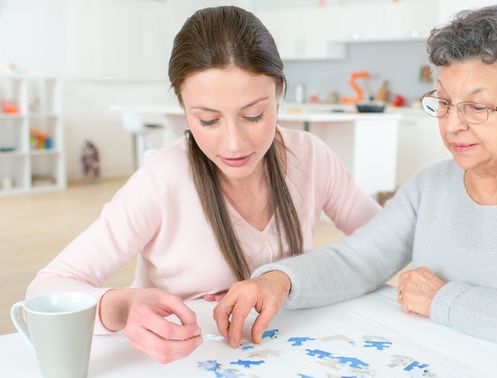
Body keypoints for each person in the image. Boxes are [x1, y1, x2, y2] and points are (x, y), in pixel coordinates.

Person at [214, 5, 497, 349]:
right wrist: (279, 281)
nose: (453, 124)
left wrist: (442, 299)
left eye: (477, 108)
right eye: (443, 102)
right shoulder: (431, 186)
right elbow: (357, 260)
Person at [26, 6, 380, 363]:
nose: (234, 144)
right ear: (184, 107)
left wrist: (284, 279)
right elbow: (46, 289)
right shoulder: (163, 179)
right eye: (208, 120)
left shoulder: (310, 157)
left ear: (279, 93)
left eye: (254, 115)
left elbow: (386, 243)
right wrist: (121, 305)